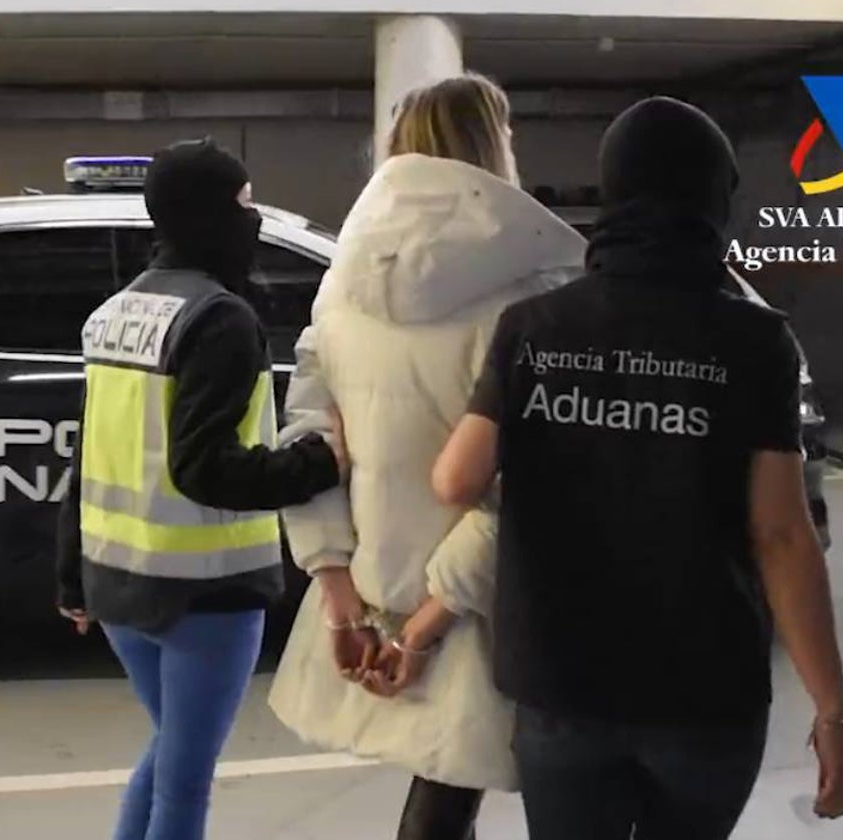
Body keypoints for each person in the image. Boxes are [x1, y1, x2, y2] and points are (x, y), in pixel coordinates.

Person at [432, 97, 843, 839]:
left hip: (560, 687)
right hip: (703, 696)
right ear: (713, 198)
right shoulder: (755, 340)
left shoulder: (532, 328)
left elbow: (457, 481)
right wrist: (831, 714)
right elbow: (783, 537)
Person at [268, 74, 587, 840]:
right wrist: (430, 622)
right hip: (490, 606)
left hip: (375, 589)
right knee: (474, 804)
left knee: (442, 801)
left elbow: (308, 449)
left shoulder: (340, 288)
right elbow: (528, 487)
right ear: (489, 151)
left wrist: (338, 586)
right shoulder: (535, 296)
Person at [55, 138, 348, 840]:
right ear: (210, 213)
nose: (252, 219)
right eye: (244, 204)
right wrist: (319, 461)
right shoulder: (220, 319)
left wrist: (73, 578)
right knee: (184, 784)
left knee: (167, 760)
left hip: (120, 586)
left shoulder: (118, 312)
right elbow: (205, 468)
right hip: (204, 592)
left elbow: (87, 455)